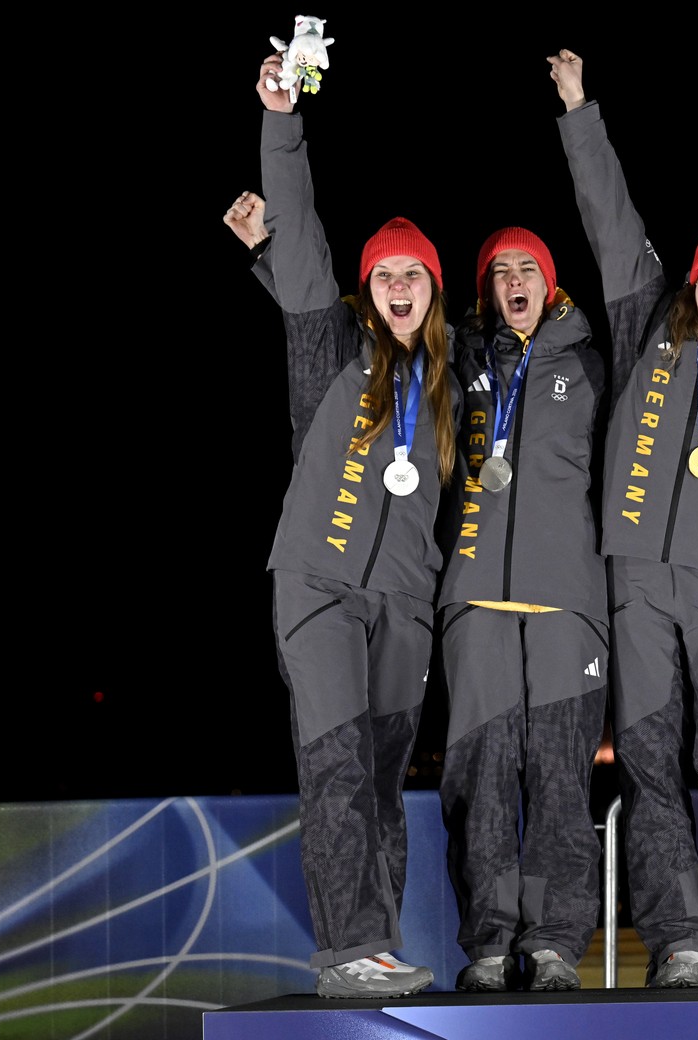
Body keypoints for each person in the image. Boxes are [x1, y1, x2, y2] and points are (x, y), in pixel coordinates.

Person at [549, 48, 698, 988]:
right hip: (636, 579)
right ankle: (680, 938)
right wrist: (579, 111)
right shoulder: (649, 318)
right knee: (649, 764)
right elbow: (610, 218)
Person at [239, 49, 460, 998]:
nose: (400, 285)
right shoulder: (327, 344)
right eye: (386, 273)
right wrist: (282, 120)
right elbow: (298, 238)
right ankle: (345, 952)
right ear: (367, 287)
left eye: (416, 274)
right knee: (333, 764)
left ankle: (377, 951)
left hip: (404, 602)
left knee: (379, 783)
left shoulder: (454, 380)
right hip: (319, 584)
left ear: (433, 289)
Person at [433, 226, 608, 992]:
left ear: (551, 282)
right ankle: (488, 942)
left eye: (526, 267)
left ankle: (555, 945)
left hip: (569, 598)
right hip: (473, 596)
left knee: (562, 781)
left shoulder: (594, 360)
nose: (513, 280)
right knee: (480, 779)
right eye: (498, 270)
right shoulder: (457, 357)